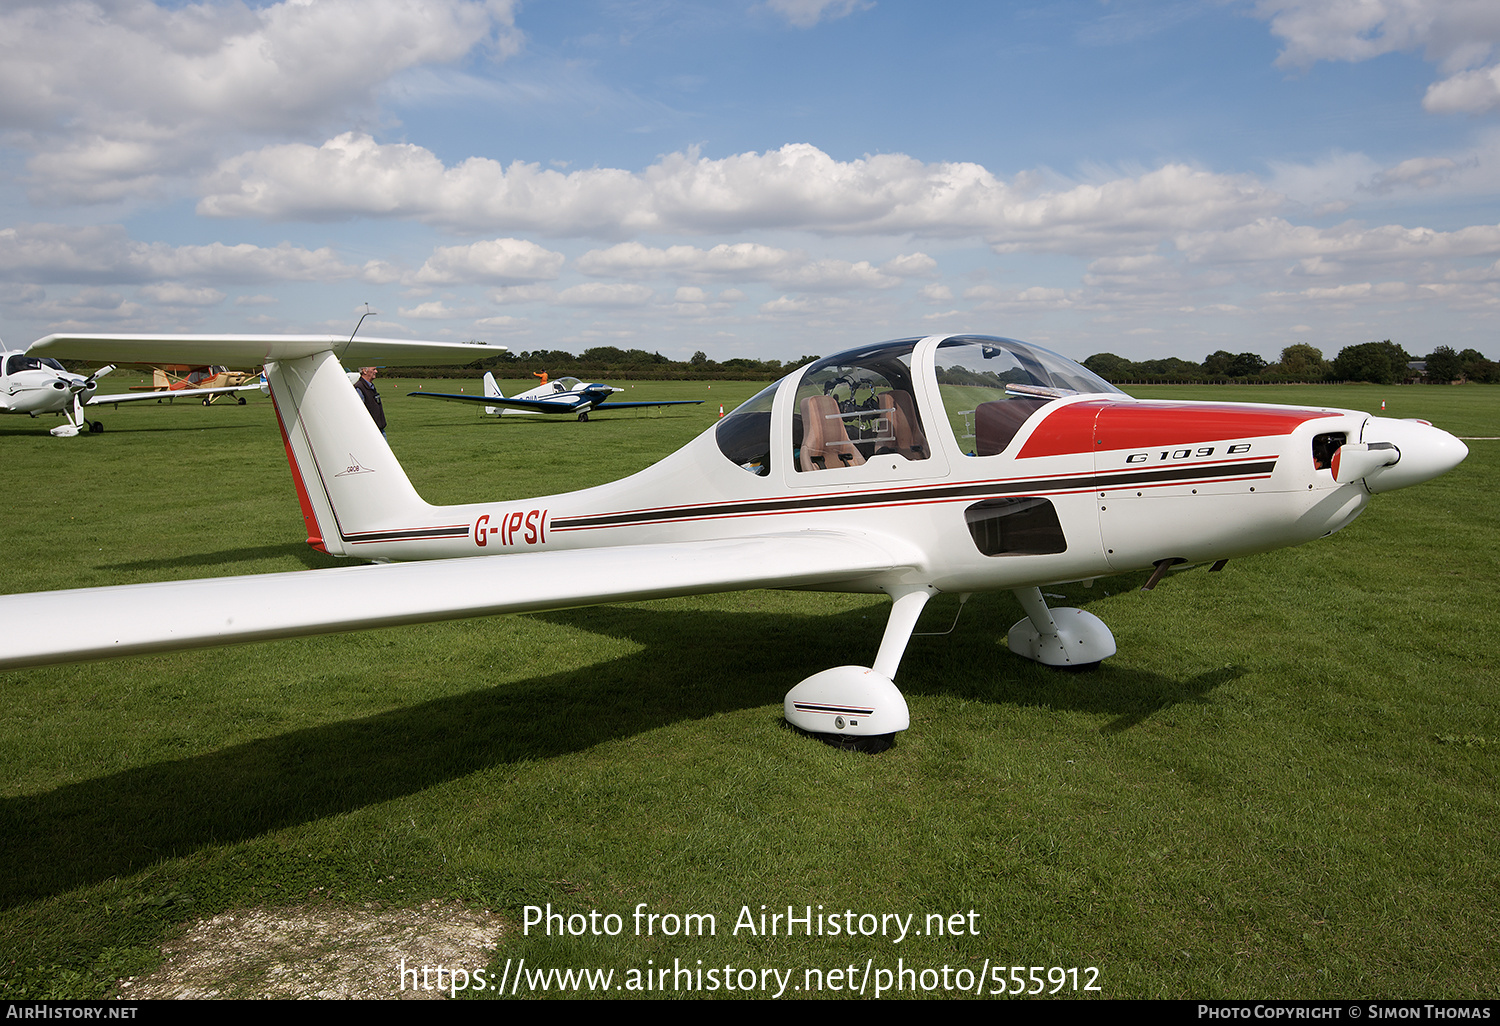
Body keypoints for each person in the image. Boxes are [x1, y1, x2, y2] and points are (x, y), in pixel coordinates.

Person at [355, 366, 386, 435]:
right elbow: (358, 411)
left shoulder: (370, 386)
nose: (376, 371)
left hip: (379, 428)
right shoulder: (359, 388)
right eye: (374, 369)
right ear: (364, 371)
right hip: (370, 431)